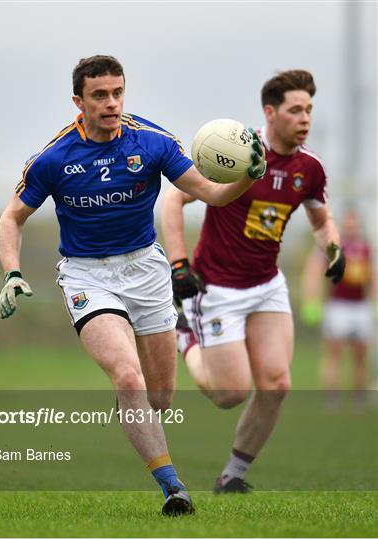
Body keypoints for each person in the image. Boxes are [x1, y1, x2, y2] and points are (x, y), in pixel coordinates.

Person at [0, 55, 266, 514]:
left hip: (145, 270)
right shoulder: (54, 157)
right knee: (127, 374)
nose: (111, 103)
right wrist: (12, 272)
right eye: (99, 95)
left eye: (117, 92)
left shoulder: (153, 141)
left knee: (158, 398)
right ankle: (173, 488)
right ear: (78, 102)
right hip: (86, 274)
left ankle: (134, 402)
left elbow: (211, 193)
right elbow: (12, 217)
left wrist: (247, 176)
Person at [161, 69, 346, 494]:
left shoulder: (309, 167)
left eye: (309, 110)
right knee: (229, 394)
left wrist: (331, 248)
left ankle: (232, 476)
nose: (305, 118)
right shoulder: (236, 153)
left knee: (278, 384)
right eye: (295, 109)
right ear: (270, 112)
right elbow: (173, 198)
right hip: (217, 289)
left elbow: (322, 221)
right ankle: (184, 334)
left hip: (266, 286)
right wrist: (179, 264)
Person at [301, 208, 376, 409]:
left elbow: (372, 278)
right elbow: (314, 271)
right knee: (333, 354)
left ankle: (359, 398)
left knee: (360, 355)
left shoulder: (366, 248)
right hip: (337, 307)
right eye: (348, 221)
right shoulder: (334, 246)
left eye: (355, 222)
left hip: (361, 307)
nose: (351, 225)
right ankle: (331, 399)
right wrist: (311, 301)